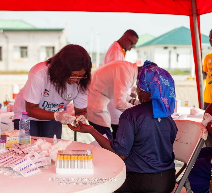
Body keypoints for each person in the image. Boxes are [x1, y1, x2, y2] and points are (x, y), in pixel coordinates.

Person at [70, 61, 177, 192]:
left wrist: (91, 130)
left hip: (140, 181)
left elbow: (120, 154)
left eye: (138, 86)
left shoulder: (131, 115)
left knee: (97, 183)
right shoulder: (168, 116)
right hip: (168, 180)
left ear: (142, 89)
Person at [13, 44, 92, 139]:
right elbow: (31, 109)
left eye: (80, 75)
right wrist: (57, 116)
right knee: (28, 148)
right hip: (26, 115)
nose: (76, 80)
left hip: (53, 115)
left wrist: (80, 118)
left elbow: (81, 110)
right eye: (73, 75)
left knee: (53, 148)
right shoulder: (40, 73)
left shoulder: (82, 82)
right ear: (62, 69)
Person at [87, 60, 140, 140]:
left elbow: (119, 93)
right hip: (95, 103)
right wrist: (140, 111)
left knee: (107, 141)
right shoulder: (126, 72)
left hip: (97, 99)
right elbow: (119, 103)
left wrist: (134, 102)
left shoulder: (128, 68)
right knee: (107, 144)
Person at [103, 29, 139, 139]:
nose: (132, 47)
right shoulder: (115, 52)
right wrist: (131, 99)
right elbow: (118, 79)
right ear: (124, 37)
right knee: (118, 135)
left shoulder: (119, 50)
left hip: (116, 98)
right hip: (114, 100)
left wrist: (130, 91)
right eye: (132, 43)